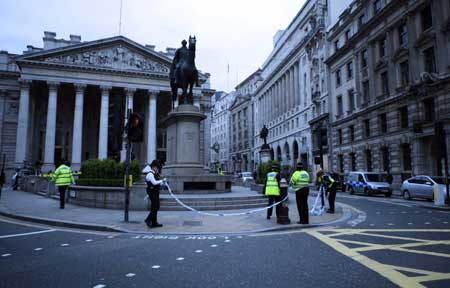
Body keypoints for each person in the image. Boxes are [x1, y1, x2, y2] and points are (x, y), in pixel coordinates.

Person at [145, 160, 166, 228]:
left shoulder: (155, 174)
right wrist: (161, 181)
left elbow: (158, 183)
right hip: (151, 192)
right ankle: (148, 220)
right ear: (153, 167)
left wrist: (163, 184)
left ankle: (154, 222)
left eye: (158, 168)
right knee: (155, 206)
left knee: (156, 206)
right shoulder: (150, 174)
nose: (158, 169)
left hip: (155, 192)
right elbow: (154, 183)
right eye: (157, 167)